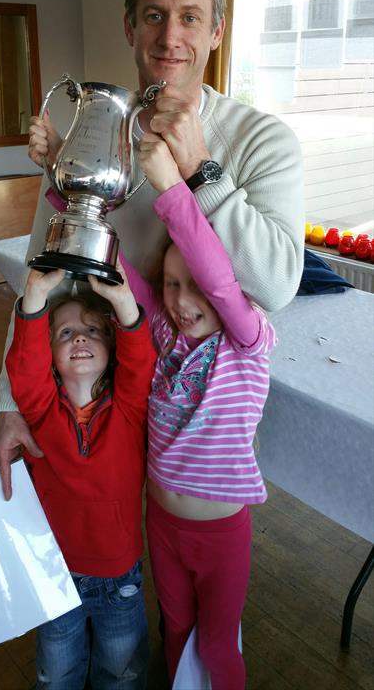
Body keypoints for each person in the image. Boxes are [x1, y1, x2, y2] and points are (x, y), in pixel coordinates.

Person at [0, 0, 303, 495]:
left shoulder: (264, 141)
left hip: (194, 438)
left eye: (191, 17)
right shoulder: (91, 140)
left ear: (216, 31)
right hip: (90, 406)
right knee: (99, 562)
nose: (170, 38)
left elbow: (277, 285)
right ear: (129, 26)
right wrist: (11, 402)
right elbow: (41, 277)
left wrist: (201, 170)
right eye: (154, 16)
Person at [118, 131, 276, 689]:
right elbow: (121, 271)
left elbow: (215, 278)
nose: (184, 301)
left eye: (198, 288)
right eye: (172, 285)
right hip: (161, 524)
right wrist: (69, 201)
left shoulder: (247, 342)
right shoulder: (166, 330)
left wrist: (172, 191)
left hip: (221, 536)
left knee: (217, 643)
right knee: (177, 629)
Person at [5, 259, 156, 690]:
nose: (80, 339)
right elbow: (26, 370)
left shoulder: (130, 408)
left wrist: (123, 301)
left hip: (119, 578)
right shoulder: (38, 410)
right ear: (51, 355)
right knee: (57, 677)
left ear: (111, 348)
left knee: (121, 675)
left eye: (92, 330)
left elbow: (141, 363)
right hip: (55, 573)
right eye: (66, 333)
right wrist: (33, 299)